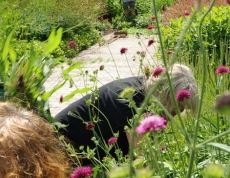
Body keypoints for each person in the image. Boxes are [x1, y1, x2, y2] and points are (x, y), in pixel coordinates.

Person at [55, 64, 198, 159]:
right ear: (166, 95)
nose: (181, 111)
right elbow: (143, 157)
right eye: (178, 106)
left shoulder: (146, 90)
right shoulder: (133, 102)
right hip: (61, 147)